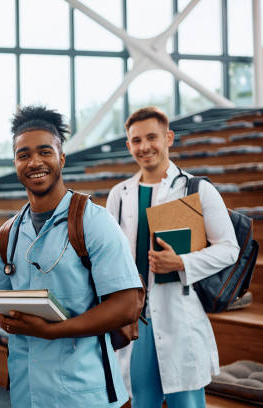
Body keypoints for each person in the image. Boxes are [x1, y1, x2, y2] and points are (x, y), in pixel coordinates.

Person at [0, 105, 142, 407]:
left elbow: (127, 306)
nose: (35, 162)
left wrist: (53, 331)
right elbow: (0, 300)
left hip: (83, 391)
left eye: (45, 152)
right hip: (27, 391)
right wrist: (4, 317)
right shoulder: (8, 233)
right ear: (15, 162)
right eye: (24, 155)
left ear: (61, 157)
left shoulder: (93, 221)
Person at [106, 106, 240, 408]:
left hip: (178, 311)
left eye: (151, 137)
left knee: (187, 402)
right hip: (137, 319)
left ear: (168, 137)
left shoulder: (196, 189)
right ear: (128, 145)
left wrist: (182, 263)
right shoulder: (119, 194)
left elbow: (229, 248)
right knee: (142, 400)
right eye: (136, 140)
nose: (144, 147)